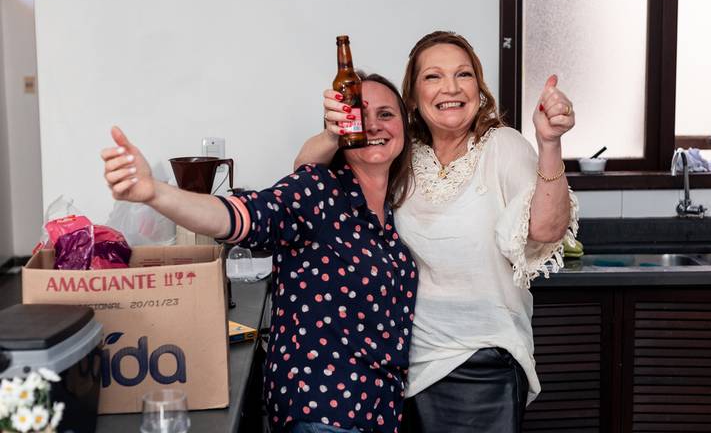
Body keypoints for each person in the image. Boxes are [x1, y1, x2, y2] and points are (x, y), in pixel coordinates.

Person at [101, 73, 419, 433]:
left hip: (379, 413)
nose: (373, 125)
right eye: (360, 115)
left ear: (404, 127)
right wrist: (154, 192)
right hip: (325, 413)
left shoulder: (391, 218)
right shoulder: (317, 190)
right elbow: (240, 216)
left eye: (386, 114)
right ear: (341, 127)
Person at [294, 31, 578, 433]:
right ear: (412, 96)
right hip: (401, 368)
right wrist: (332, 132)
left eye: (463, 74)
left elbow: (547, 229)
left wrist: (549, 143)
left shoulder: (503, 146)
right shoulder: (402, 153)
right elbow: (305, 175)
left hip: (481, 364)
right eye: (433, 76)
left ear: (478, 88)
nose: (451, 88)